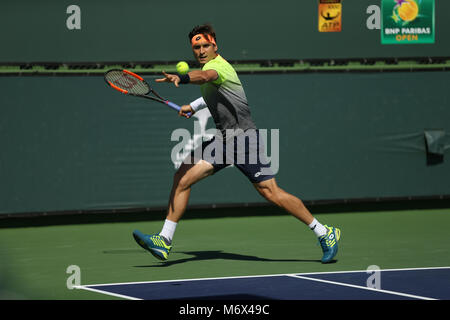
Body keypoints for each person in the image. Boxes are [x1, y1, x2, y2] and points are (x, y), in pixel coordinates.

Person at [133, 24, 341, 263]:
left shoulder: (216, 67)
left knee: (270, 192)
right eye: (196, 47)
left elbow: (206, 77)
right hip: (223, 140)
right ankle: (164, 240)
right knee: (182, 176)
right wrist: (194, 105)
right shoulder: (213, 68)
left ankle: (325, 233)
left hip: (243, 140)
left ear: (215, 46)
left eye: (205, 46)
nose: (201, 50)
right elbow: (211, 90)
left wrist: (181, 77)